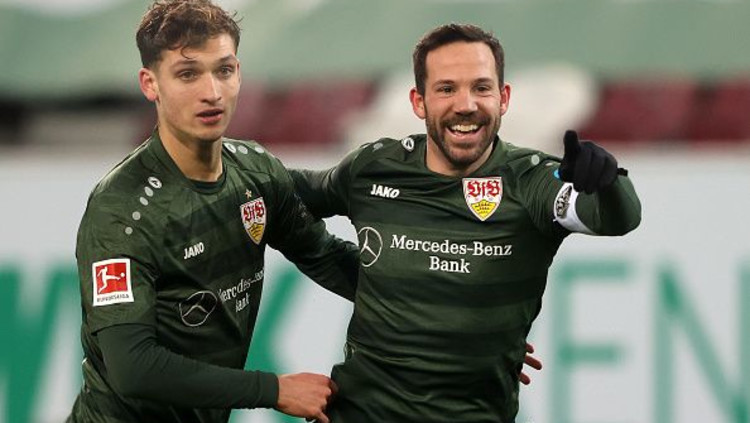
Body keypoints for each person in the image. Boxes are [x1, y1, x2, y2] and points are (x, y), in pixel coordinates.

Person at [291, 23, 641, 422]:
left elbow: (617, 217)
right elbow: (286, 194)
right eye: (446, 89)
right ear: (419, 101)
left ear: (503, 98)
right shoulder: (374, 168)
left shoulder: (531, 181)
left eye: (481, 88)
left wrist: (608, 182)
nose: (466, 105)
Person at [65, 1, 360, 422]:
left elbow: (326, 256)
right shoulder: (122, 211)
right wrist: (273, 389)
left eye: (223, 70)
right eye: (188, 74)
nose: (212, 92)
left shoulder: (255, 173)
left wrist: (432, 296)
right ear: (150, 84)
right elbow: (134, 368)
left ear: (238, 72)